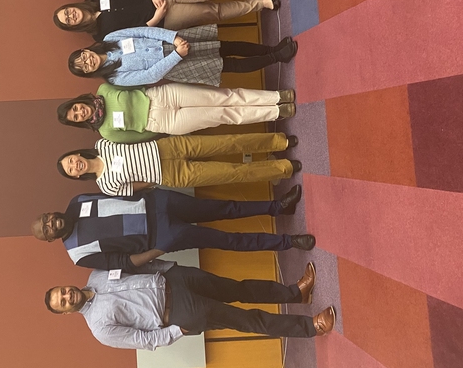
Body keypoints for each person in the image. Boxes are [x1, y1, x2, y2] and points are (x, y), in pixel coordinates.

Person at [45, 260, 336, 349]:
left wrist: (170, 267)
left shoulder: (95, 275)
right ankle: (311, 327)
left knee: (238, 287)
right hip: (179, 314)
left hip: (176, 279)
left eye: (63, 291)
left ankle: (294, 294)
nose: (68, 295)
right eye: (63, 301)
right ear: (66, 312)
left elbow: (135, 265)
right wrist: (177, 331)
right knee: (246, 319)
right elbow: (143, 341)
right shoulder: (99, 329)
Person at [31, 188, 316, 269]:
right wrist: (160, 249)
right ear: (50, 239)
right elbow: (121, 262)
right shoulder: (77, 255)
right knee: (227, 240)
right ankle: (289, 241)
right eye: (46, 229)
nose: (50, 223)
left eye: (46, 218)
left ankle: (279, 207)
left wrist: (151, 189)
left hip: (158, 203)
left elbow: (117, 193)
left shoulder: (76, 200)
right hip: (161, 237)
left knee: (223, 208)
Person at [57, 132, 301, 195]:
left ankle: (280, 142)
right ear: (76, 176)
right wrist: (155, 178)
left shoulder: (102, 144)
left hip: (168, 147)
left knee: (229, 142)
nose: (74, 164)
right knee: (232, 173)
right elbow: (136, 187)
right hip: (172, 174)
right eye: (71, 169)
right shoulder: (106, 186)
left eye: (70, 160)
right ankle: (284, 168)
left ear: (76, 154)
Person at [54, 0, 282, 41]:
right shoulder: (100, 35)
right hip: (163, 19)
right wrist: (157, 17)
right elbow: (135, 36)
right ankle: (261, 4)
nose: (71, 16)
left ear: (71, 6)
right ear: (73, 26)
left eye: (67, 12)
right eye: (68, 21)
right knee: (214, 12)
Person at [57, 83, 296, 144]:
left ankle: (276, 97)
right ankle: (276, 112)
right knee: (223, 116)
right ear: (80, 123)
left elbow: (133, 83)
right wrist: (161, 128)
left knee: (223, 97)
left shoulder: (104, 89)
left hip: (160, 96)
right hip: (162, 122)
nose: (80, 112)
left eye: (76, 108)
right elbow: (139, 137)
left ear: (78, 102)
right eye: (77, 117)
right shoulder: (106, 132)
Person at [68, 26, 297, 88]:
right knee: (229, 64)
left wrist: (173, 38)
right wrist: (176, 55)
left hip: (173, 41)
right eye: (84, 67)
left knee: (226, 45)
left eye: (83, 57)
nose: (88, 61)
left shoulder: (110, 37)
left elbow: (143, 31)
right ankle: (277, 57)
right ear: (90, 73)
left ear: (85, 50)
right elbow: (150, 76)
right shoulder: (114, 78)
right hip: (174, 65)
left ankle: (271, 48)